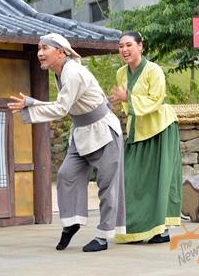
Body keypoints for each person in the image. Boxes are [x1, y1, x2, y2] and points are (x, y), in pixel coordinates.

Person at [8, 33, 125, 252]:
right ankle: (72, 222)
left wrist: (30, 105)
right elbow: (64, 105)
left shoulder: (73, 72)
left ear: (61, 52)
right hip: (81, 132)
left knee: (108, 186)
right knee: (66, 174)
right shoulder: (60, 72)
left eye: (45, 48)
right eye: (39, 49)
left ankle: (102, 236)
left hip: (104, 132)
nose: (40, 53)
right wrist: (31, 103)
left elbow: (61, 109)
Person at [109, 31, 182, 244]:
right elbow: (126, 104)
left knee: (161, 179)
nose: (124, 49)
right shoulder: (121, 73)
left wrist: (128, 98)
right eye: (121, 46)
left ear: (140, 46)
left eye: (129, 45)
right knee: (131, 180)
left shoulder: (154, 70)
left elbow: (155, 99)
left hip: (160, 128)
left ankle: (162, 230)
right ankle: (133, 229)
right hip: (136, 130)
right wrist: (122, 100)